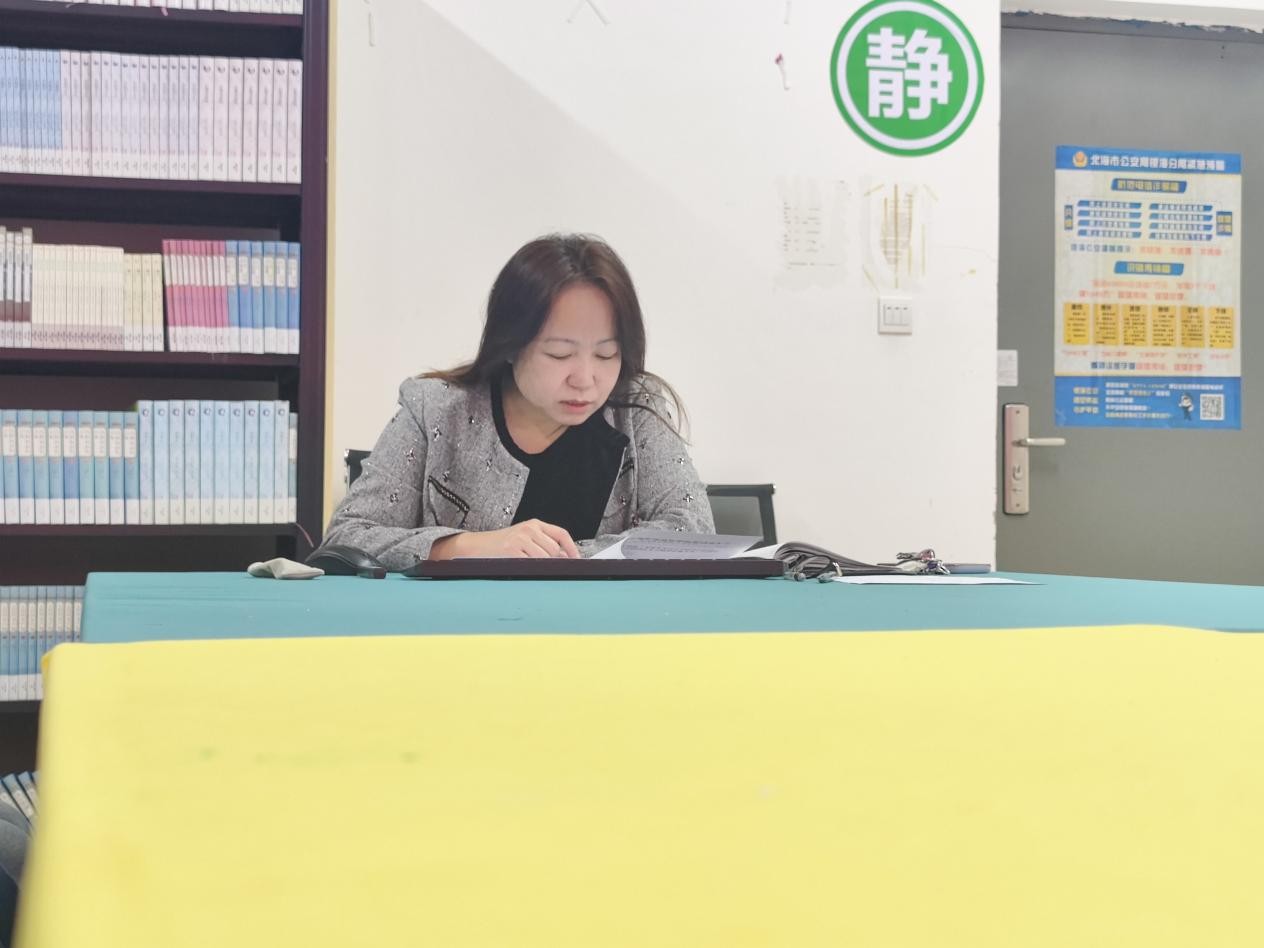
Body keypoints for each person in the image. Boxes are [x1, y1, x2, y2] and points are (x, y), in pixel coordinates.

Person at [320, 233, 714, 569]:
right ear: (509, 344)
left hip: (600, 629)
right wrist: (468, 547)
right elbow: (347, 538)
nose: (585, 379)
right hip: (459, 628)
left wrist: (558, 558)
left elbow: (693, 530)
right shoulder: (435, 409)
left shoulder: (636, 409)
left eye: (606, 355)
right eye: (559, 354)